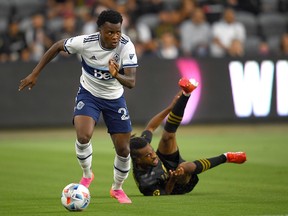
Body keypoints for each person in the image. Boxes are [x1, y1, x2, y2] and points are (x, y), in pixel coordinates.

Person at [18, 9, 138, 204]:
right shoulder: (85, 42)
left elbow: (132, 82)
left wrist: (116, 75)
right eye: (110, 32)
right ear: (100, 30)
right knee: (83, 136)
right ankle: (87, 174)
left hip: (115, 98)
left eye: (118, 32)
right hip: (89, 94)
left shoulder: (126, 46)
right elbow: (57, 46)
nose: (115, 36)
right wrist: (35, 73)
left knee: (124, 150)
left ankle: (117, 188)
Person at [130, 78, 246, 196]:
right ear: (138, 160)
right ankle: (226, 157)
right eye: (148, 155)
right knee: (184, 168)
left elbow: (150, 128)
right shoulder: (146, 183)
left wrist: (170, 107)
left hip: (167, 163)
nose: (154, 155)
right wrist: (173, 179)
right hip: (177, 185)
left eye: (152, 151)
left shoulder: (141, 146)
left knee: (167, 137)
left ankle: (186, 94)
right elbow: (166, 193)